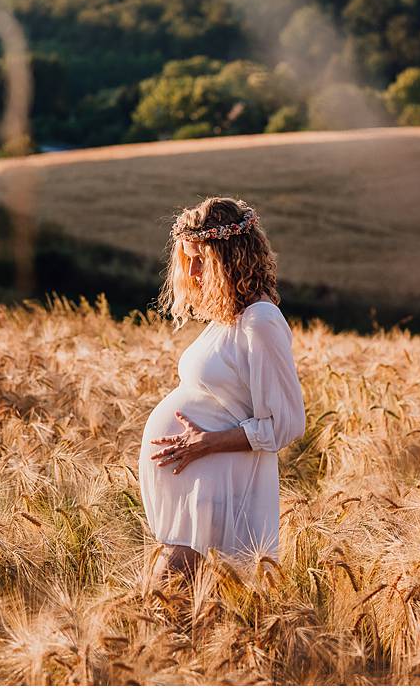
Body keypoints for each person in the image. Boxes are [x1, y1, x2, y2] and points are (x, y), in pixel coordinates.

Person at [138, 196, 307, 588]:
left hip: (218, 482)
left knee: (168, 597)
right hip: (198, 479)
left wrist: (207, 442)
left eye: (202, 259)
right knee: (182, 604)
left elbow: (286, 424)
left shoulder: (260, 320)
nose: (193, 271)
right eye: (188, 259)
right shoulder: (228, 319)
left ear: (231, 257)